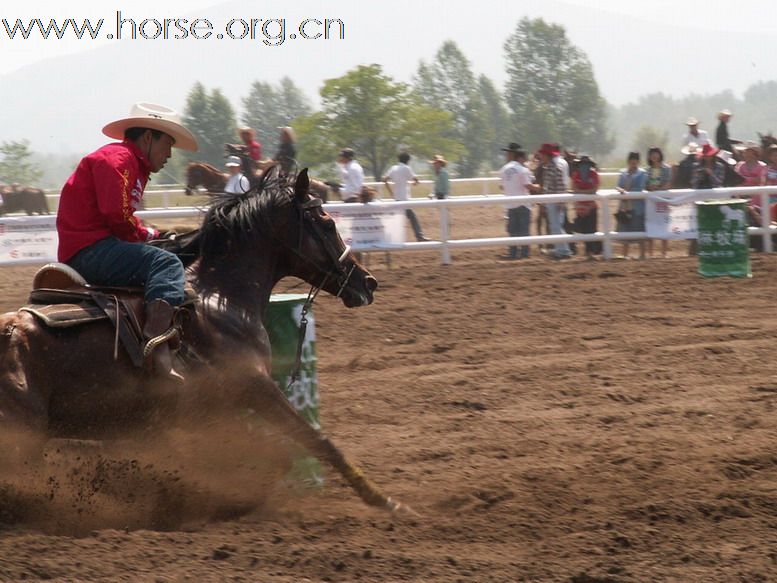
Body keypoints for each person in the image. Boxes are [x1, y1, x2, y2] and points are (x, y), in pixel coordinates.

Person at [56, 102, 198, 383]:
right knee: (167, 262)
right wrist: (147, 236)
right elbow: (117, 215)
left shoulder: (124, 161)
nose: (169, 154)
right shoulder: (119, 161)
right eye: (167, 144)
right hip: (92, 250)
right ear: (147, 137)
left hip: (91, 245)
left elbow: (119, 217)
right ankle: (156, 346)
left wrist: (150, 235)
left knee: (162, 253)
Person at [498, 143, 536, 260]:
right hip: (523, 203)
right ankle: (524, 253)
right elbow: (528, 185)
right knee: (524, 229)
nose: (506, 156)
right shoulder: (523, 169)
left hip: (510, 204)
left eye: (508, 153)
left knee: (513, 230)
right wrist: (539, 187)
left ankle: (513, 252)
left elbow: (502, 187)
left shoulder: (504, 169)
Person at [537, 143, 572, 259]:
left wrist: (560, 201)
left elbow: (560, 185)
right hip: (552, 200)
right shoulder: (551, 166)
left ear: (547, 155)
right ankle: (561, 249)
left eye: (542, 154)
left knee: (556, 225)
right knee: (555, 225)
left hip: (555, 201)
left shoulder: (554, 167)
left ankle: (563, 250)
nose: (540, 156)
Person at [383, 152, 428, 242]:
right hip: (404, 198)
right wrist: (415, 183)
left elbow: (384, 179)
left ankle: (389, 237)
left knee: (397, 219)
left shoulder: (393, 168)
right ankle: (419, 236)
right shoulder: (407, 168)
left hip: (397, 198)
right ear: (408, 160)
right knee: (412, 217)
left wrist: (391, 192)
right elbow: (416, 180)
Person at [615, 152, 648, 259]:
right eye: (631, 159)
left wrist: (626, 191)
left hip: (637, 206)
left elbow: (640, 188)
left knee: (639, 228)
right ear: (628, 161)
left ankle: (642, 254)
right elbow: (618, 186)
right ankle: (625, 254)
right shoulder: (622, 173)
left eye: (635, 159)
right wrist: (621, 190)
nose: (633, 162)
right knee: (625, 228)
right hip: (624, 206)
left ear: (638, 161)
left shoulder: (642, 173)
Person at [570, 153, 601, 258]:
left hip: (591, 207)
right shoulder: (576, 175)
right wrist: (587, 192)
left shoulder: (593, 174)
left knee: (591, 230)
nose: (584, 166)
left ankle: (590, 252)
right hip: (580, 208)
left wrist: (582, 192)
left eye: (586, 164)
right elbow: (574, 189)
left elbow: (595, 189)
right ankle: (590, 251)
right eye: (582, 164)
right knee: (583, 230)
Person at [645, 147, 672, 258]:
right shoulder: (647, 171)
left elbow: (668, 184)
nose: (654, 156)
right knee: (651, 224)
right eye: (652, 154)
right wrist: (649, 187)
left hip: (663, 200)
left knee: (664, 224)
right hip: (651, 201)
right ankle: (650, 252)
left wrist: (659, 189)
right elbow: (645, 184)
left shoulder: (666, 169)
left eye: (656, 154)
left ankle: (664, 252)